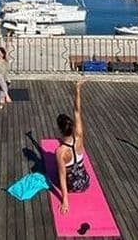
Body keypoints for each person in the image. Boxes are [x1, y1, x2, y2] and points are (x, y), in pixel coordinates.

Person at [55, 80, 90, 215]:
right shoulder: (79, 135)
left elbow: (62, 177)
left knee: (58, 169)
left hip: (72, 186)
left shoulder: (60, 152)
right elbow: (77, 111)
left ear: (60, 130)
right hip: (84, 181)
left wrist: (65, 201)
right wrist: (78, 90)